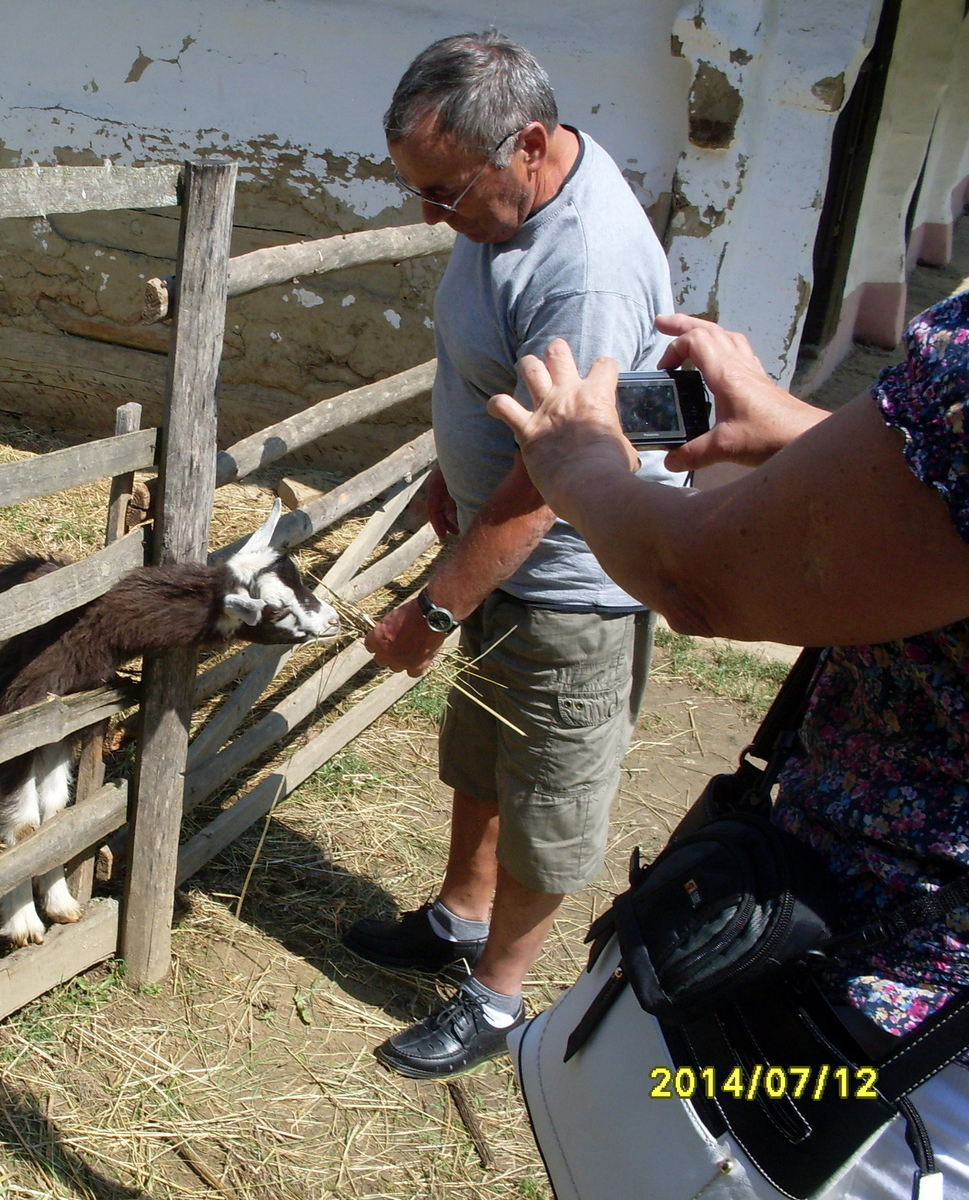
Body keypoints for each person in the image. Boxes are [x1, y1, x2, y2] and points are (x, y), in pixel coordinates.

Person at [489, 300, 969, 1195]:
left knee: (704, 1153)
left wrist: (578, 465)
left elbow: (696, 581)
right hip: (895, 999)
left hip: (884, 1012)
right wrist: (807, 436)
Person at [348, 29, 685, 1080]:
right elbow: (493, 377)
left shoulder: (580, 270)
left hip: (571, 582)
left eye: (442, 193)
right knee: (485, 754)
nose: (430, 216)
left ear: (527, 145)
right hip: (496, 551)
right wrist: (453, 469)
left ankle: (498, 999)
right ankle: (459, 917)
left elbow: (556, 475)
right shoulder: (504, 205)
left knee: (549, 786)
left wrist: (428, 612)